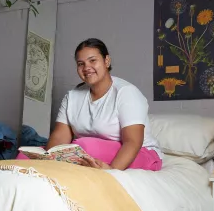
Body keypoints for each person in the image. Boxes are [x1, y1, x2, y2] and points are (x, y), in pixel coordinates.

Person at [45, 38, 163, 171]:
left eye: (92, 60)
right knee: (24, 155)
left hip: (141, 153)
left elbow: (133, 142)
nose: (86, 68)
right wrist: (49, 159)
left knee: (85, 146)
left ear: (107, 61)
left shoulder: (126, 93)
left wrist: (111, 171)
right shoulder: (72, 96)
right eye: (80, 64)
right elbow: (59, 137)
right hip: (92, 152)